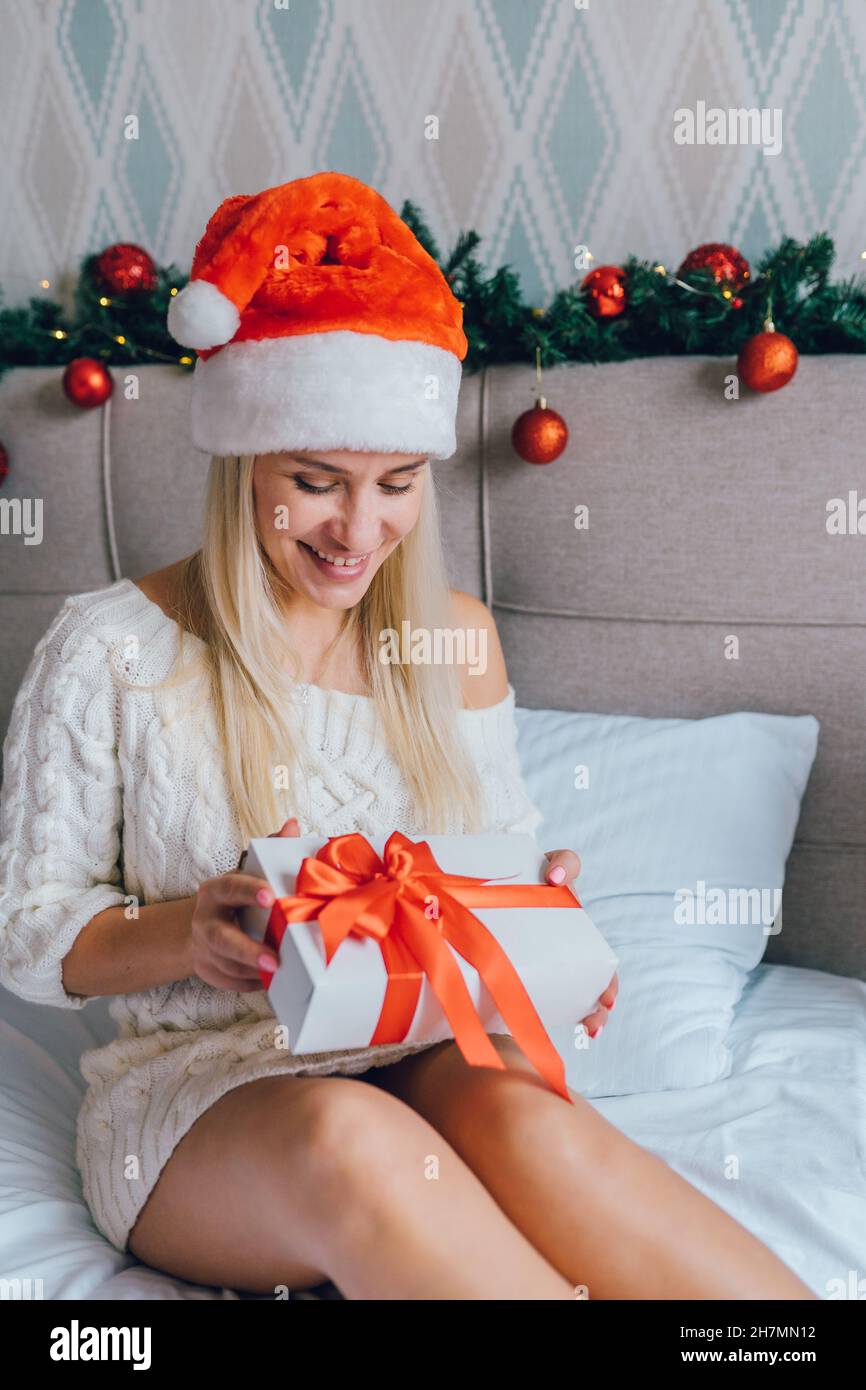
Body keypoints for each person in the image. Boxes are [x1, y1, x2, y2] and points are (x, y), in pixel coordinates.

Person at [0, 172, 815, 1301]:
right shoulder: (104, 651)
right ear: (244, 468)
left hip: (425, 1051)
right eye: (316, 484)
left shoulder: (453, 640)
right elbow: (34, 938)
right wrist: (191, 930)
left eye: (394, 485)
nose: (359, 530)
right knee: (355, 1140)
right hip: (200, 1095)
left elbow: (489, 871)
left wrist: (534, 911)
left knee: (544, 1136)